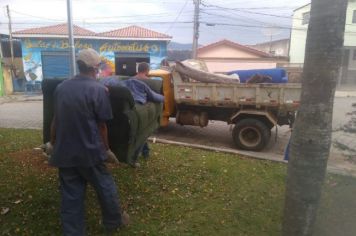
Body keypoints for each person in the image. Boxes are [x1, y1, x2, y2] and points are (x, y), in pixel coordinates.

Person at [44, 48, 129, 235]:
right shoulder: (98, 90)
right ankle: (114, 221)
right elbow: (102, 126)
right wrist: (106, 150)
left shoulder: (61, 87)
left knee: (71, 196)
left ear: (79, 65)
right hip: (91, 152)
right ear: (96, 67)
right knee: (105, 187)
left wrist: (52, 142)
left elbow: (56, 120)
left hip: (65, 153)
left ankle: (73, 232)